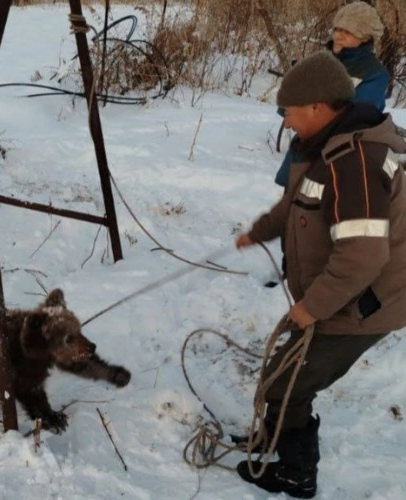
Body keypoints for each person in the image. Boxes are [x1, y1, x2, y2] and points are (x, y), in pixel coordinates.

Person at [235, 50, 406, 498]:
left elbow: (362, 257)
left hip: (362, 305)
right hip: (338, 294)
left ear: (317, 106)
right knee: (283, 373)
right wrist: (261, 231)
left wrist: (312, 307)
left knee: (286, 385)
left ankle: (297, 474)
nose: (286, 121)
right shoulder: (325, 146)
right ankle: (273, 439)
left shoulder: (355, 162)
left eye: (290, 112)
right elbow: (297, 202)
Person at [274, 1, 389, 189]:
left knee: (321, 204)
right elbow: (286, 105)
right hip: (304, 152)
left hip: (338, 159)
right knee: (293, 202)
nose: (338, 36)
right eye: (337, 29)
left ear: (365, 37)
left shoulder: (375, 73)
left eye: (348, 32)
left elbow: (352, 119)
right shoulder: (320, 61)